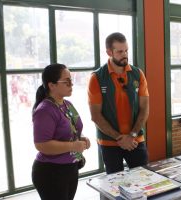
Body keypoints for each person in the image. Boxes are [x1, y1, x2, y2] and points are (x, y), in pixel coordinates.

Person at [88, 32, 149, 174]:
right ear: (109, 52)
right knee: (115, 187)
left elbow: (144, 109)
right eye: (120, 51)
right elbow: (96, 116)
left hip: (135, 140)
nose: (125, 54)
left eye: (126, 50)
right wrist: (120, 138)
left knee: (144, 179)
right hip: (109, 142)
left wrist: (132, 135)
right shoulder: (96, 78)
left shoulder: (137, 74)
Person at [32, 63, 90, 200]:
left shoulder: (67, 105)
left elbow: (73, 131)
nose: (71, 84)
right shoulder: (44, 110)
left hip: (70, 167)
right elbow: (41, 145)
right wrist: (73, 146)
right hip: (51, 171)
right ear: (51, 85)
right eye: (66, 81)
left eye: (71, 80)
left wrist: (82, 138)